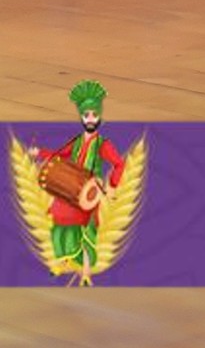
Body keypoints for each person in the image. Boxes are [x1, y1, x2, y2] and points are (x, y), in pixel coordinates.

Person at [36, 80, 125, 278]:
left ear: (99, 117)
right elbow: (59, 156)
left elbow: (119, 164)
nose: (90, 119)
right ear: (82, 118)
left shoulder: (103, 144)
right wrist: (40, 152)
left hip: (89, 192)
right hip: (70, 190)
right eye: (86, 115)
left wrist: (112, 186)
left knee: (85, 234)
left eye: (94, 115)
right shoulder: (76, 141)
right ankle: (61, 264)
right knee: (59, 229)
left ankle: (85, 274)